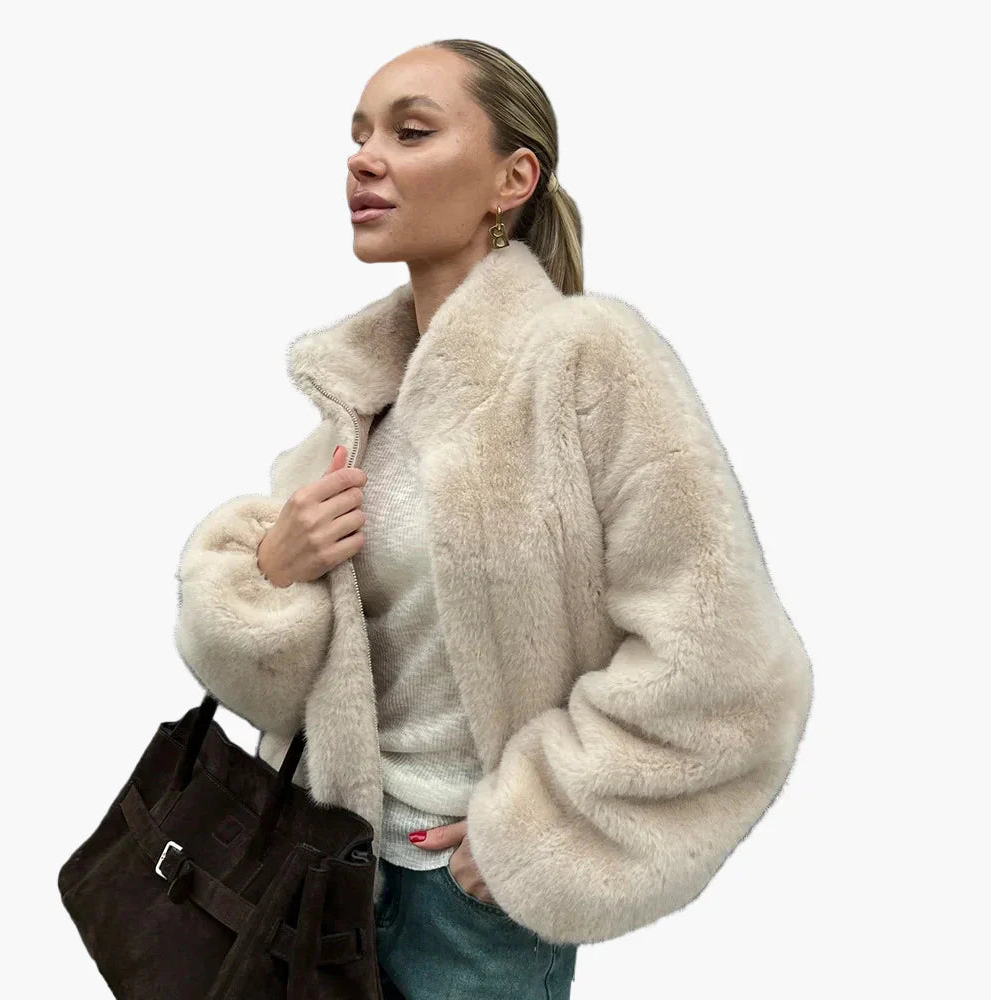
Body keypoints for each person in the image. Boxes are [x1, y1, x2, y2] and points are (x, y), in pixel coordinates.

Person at [174, 38, 814, 1000]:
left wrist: (539, 833)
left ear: (513, 179)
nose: (363, 159)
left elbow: (726, 668)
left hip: (466, 917)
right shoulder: (359, 408)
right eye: (358, 134)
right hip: (314, 887)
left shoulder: (583, 363)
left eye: (410, 131)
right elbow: (285, 695)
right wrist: (270, 572)